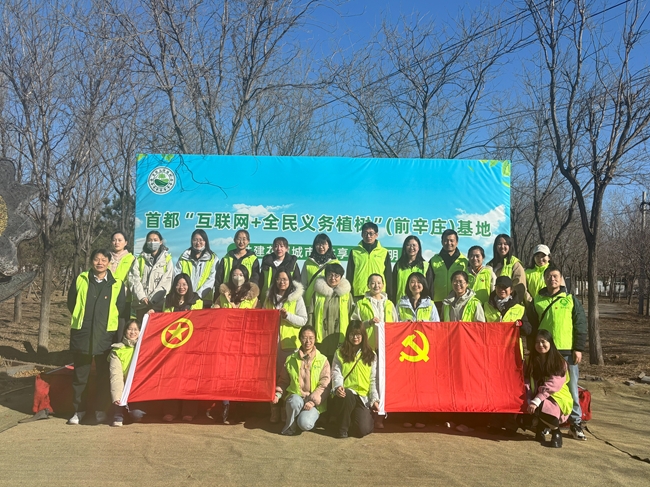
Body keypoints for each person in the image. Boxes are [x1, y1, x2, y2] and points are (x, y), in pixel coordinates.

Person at [528, 264, 587, 441]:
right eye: (548, 276)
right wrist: (532, 349)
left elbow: (580, 324)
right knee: (546, 386)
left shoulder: (570, 299)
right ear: (544, 279)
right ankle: (548, 421)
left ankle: (575, 423)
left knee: (572, 387)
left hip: (566, 351)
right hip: (544, 352)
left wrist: (578, 348)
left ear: (561, 279)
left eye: (555, 276)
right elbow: (532, 327)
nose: (552, 279)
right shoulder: (537, 300)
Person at [67, 249, 126, 425]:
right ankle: (79, 411)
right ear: (91, 261)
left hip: (105, 335)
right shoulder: (81, 279)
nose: (100, 263)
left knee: (103, 375)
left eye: (103, 259)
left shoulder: (117, 283)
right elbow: (71, 303)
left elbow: (120, 308)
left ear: (109, 262)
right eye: (96, 259)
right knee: (80, 375)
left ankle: (101, 410)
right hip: (83, 333)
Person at [150, 273, 203, 422]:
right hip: (171, 347)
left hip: (191, 346)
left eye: (184, 284)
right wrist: (152, 314)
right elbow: (163, 321)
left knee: (189, 379)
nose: (181, 287)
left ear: (189, 286)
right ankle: (170, 410)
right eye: (178, 284)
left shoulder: (196, 301)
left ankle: (189, 411)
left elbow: (199, 321)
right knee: (170, 378)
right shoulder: (168, 300)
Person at [264, 270, 308, 423]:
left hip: (289, 344)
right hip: (271, 345)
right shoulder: (269, 298)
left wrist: (287, 316)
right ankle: (274, 409)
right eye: (278, 279)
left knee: (288, 378)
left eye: (285, 279)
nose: (281, 282)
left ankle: (285, 410)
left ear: (290, 281)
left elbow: (303, 320)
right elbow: (264, 318)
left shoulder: (296, 298)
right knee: (273, 378)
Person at [273, 325, 330, 435]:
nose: (308, 341)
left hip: (313, 402)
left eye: (311, 338)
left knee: (304, 423)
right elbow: (284, 381)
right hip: (296, 397)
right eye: (304, 338)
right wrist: (278, 394)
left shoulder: (322, 360)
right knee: (293, 401)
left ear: (315, 339)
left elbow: (325, 384)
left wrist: (312, 402)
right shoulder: (290, 359)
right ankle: (290, 427)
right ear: (300, 339)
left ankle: (305, 419)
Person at [523, 330, 574, 448]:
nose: (540, 345)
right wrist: (528, 398)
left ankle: (556, 432)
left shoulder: (559, 362)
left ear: (550, 342)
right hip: (535, 396)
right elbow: (526, 381)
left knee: (543, 407)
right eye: (537, 342)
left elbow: (553, 384)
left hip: (556, 398)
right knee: (523, 415)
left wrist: (536, 400)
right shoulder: (529, 361)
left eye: (543, 341)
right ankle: (539, 428)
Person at [330, 321, 379, 438]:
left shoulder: (371, 355)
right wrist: (338, 387)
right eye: (352, 334)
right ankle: (342, 429)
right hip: (346, 394)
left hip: (363, 397)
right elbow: (336, 373)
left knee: (363, 430)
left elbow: (373, 379)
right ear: (348, 335)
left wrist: (374, 399)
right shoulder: (340, 352)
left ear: (363, 335)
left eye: (358, 334)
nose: (355, 337)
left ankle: (351, 420)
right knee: (347, 395)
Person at [307, 263, 353, 361]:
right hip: (320, 338)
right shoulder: (317, 294)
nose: (333, 278)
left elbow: (351, 315)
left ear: (341, 277)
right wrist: (310, 335)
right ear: (326, 276)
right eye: (330, 275)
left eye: (336, 275)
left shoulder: (347, 295)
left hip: (340, 337)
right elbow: (311, 314)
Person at [129, 231, 174, 322]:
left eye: (155, 240)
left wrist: (153, 299)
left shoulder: (167, 260)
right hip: (141, 305)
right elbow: (134, 279)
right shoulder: (140, 259)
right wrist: (142, 297)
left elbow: (167, 281)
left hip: (158, 305)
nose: (152, 242)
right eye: (150, 240)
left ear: (160, 242)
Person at [108, 319, 146, 427]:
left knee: (137, 415)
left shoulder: (144, 349)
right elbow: (116, 376)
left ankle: (131, 411)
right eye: (130, 329)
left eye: (136, 329)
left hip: (137, 389)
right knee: (118, 396)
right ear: (125, 331)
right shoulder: (117, 350)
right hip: (123, 386)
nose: (132, 332)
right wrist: (117, 397)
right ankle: (118, 414)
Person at [350, 274, 398, 350]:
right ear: (368, 285)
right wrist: (368, 322)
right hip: (368, 345)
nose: (376, 286)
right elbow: (354, 325)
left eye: (379, 283)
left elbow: (396, 324)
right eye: (373, 283)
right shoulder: (361, 304)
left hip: (387, 345)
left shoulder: (389, 304)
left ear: (383, 285)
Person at [347, 222, 393, 300]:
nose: (368, 236)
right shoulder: (354, 252)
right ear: (362, 235)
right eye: (365, 233)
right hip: (359, 293)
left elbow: (388, 275)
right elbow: (350, 274)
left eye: (371, 233)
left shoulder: (384, 252)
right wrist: (349, 292)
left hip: (379, 293)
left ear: (376, 235)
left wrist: (390, 295)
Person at [175, 229, 217, 307]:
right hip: (184, 299)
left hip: (204, 300)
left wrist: (198, 295)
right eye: (195, 240)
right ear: (191, 241)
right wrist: (186, 293)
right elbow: (177, 276)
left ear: (205, 241)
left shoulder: (213, 258)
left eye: (201, 240)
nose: (198, 243)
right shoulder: (184, 257)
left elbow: (212, 279)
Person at [429, 229, 469, 311]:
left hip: (458, 300)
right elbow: (429, 282)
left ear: (457, 242)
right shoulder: (434, 260)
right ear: (442, 242)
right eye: (446, 240)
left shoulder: (464, 261)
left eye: (451, 240)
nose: (449, 243)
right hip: (438, 301)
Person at [214, 230, 260, 297]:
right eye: (239, 239)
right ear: (234, 240)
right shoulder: (226, 258)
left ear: (248, 241)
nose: (241, 242)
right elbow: (219, 278)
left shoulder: (253, 259)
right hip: (227, 295)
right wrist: (217, 295)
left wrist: (250, 294)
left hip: (245, 295)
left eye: (244, 239)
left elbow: (255, 279)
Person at [109, 231, 136, 340]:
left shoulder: (131, 259)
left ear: (126, 243)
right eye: (114, 240)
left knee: (121, 327)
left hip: (124, 298)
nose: (117, 242)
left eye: (120, 240)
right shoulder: (106, 257)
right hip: (108, 297)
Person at [392, 235, 433, 303]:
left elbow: (430, 287)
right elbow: (393, 287)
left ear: (419, 247)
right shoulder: (398, 265)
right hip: (401, 303)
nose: (411, 248)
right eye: (408, 245)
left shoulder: (425, 266)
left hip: (420, 304)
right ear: (405, 247)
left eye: (414, 245)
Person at [301, 233, 339, 306]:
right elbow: (303, 285)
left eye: (323, 244)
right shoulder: (308, 263)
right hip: (310, 302)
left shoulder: (335, 263)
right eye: (318, 244)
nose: (321, 247)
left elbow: (339, 284)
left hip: (328, 302)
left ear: (329, 246)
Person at [487, 234, 527, 301]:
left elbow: (520, 288)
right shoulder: (490, 265)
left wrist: (511, 302)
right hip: (492, 303)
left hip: (509, 303)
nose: (502, 246)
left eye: (505, 244)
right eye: (499, 244)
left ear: (510, 246)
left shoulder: (515, 264)